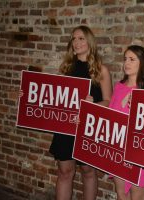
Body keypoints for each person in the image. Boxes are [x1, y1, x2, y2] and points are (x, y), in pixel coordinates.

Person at [49, 25, 112, 200]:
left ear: (90, 41)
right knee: (64, 171)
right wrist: (30, 98)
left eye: (81, 38)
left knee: (88, 171)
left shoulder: (101, 70)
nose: (76, 42)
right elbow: (57, 98)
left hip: (88, 126)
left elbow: (108, 101)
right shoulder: (66, 68)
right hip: (66, 125)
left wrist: (92, 107)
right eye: (74, 39)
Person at [109, 45, 144, 200]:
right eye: (125, 59)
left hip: (140, 152)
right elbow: (110, 116)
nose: (127, 63)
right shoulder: (119, 86)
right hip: (118, 149)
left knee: (137, 196)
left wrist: (139, 107)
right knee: (121, 194)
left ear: (142, 63)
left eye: (132, 59)